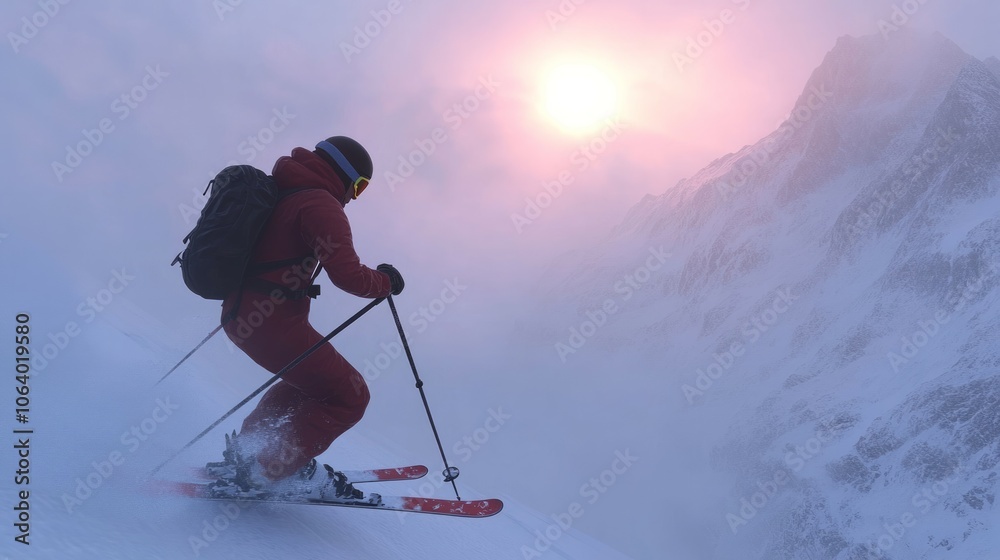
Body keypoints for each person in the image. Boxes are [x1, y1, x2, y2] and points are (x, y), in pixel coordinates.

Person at [208, 136, 405, 499]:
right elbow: (348, 276)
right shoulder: (320, 204)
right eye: (359, 186)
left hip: (238, 315)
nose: (354, 195)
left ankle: (248, 454)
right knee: (350, 395)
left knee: (311, 385)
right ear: (344, 174)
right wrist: (386, 283)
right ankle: (267, 469)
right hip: (273, 324)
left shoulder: (280, 187)